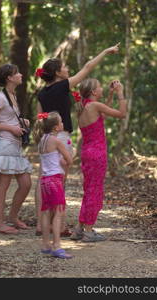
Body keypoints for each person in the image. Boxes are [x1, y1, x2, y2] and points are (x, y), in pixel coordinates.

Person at [34, 43, 120, 235]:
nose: (67, 69)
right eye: (64, 67)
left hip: (45, 138)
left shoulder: (42, 93)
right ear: (57, 73)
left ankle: (41, 224)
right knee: (59, 182)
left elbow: (39, 117)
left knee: (44, 179)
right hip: (61, 138)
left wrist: (41, 140)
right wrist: (105, 51)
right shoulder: (62, 86)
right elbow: (88, 67)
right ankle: (60, 225)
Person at [70, 78, 127, 242]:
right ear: (94, 92)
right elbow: (121, 114)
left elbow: (103, 113)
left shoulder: (84, 107)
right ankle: (88, 231)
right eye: (100, 87)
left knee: (89, 190)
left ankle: (79, 229)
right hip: (97, 154)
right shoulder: (94, 106)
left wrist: (110, 94)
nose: (102, 88)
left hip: (87, 153)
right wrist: (120, 93)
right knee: (95, 190)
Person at [0, 64, 32, 234]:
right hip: (5, 146)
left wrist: (22, 122)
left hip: (16, 147)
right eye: (17, 73)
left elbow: (8, 117)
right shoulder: (0, 97)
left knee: (26, 183)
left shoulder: (12, 95)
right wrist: (11, 128)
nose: (20, 75)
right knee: (3, 185)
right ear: (9, 78)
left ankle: (12, 217)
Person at [32, 111, 73, 259]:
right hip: (55, 180)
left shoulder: (42, 140)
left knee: (45, 212)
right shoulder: (56, 141)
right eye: (61, 122)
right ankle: (56, 245)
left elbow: (48, 159)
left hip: (44, 181)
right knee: (58, 212)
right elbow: (69, 160)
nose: (63, 124)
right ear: (56, 127)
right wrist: (66, 158)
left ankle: (45, 244)